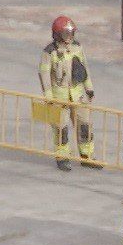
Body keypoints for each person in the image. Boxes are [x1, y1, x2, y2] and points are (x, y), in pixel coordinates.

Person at [39, 15, 99, 171]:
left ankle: (87, 156)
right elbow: (44, 74)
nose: (69, 37)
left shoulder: (77, 47)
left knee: (84, 126)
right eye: (66, 34)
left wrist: (89, 88)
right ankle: (62, 157)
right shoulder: (49, 52)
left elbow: (83, 69)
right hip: (59, 99)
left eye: (71, 33)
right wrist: (48, 96)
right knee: (61, 129)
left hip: (78, 95)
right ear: (57, 34)